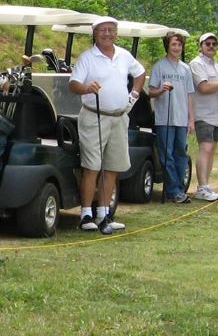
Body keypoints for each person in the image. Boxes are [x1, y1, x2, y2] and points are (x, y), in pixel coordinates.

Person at [69, 16, 146, 234]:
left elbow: (140, 73)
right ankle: (85, 214)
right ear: (95, 33)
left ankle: (104, 213)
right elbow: (73, 84)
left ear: (116, 33)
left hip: (120, 117)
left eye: (111, 30)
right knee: (92, 166)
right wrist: (86, 88)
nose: (107, 33)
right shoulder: (87, 57)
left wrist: (134, 95)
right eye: (102, 30)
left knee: (112, 167)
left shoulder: (123, 55)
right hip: (95, 116)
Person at [149, 31, 195, 204]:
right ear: (167, 45)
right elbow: (151, 92)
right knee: (166, 155)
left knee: (181, 153)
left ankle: (178, 189)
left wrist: (191, 119)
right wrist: (161, 89)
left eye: (179, 45)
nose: (176, 48)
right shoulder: (159, 66)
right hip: (164, 119)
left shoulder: (186, 68)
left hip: (181, 119)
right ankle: (173, 190)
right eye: (173, 44)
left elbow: (190, 95)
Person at [189, 32, 218, 201]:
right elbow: (204, 88)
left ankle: (206, 185)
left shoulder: (217, 66)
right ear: (200, 46)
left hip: (217, 114)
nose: (210, 46)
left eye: (213, 44)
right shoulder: (196, 64)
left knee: (212, 150)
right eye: (207, 43)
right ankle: (201, 187)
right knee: (206, 148)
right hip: (203, 114)